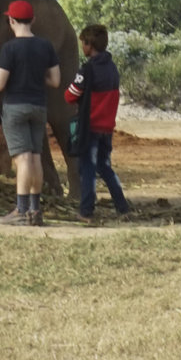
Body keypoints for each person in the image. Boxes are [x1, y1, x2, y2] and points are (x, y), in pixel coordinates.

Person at [0, 0, 63, 228]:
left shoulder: (9, 49)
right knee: (34, 157)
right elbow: (55, 80)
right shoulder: (45, 46)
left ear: (11, 20)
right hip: (38, 106)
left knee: (22, 160)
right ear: (33, 20)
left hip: (16, 107)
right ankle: (35, 209)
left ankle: (20, 211)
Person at [70, 24, 128, 219]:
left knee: (87, 169)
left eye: (83, 44)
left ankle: (86, 210)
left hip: (90, 127)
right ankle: (122, 206)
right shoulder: (112, 68)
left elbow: (71, 95)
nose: (82, 48)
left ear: (89, 45)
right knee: (105, 167)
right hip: (107, 127)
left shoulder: (87, 69)